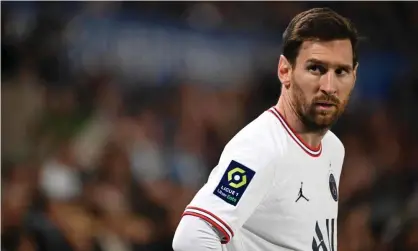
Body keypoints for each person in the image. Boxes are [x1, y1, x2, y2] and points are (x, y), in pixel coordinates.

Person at [172, 7, 359, 251]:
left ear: (354, 75)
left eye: (341, 71)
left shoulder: (333, 148)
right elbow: (192, 237)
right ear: (285, 70)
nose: (329, 86)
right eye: (316, 68)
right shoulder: (261, 147)